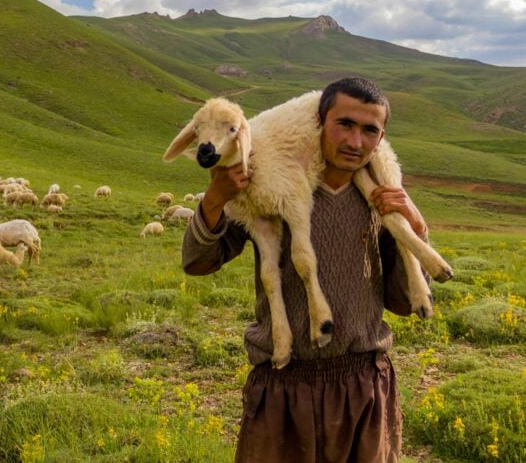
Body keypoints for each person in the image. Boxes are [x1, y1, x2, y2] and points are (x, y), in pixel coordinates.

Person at [182, 76, 429, 463]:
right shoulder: (267, 184)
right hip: (284, 385)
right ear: (319, 123)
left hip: (362, 383)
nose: (355, 142)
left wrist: (416, 227)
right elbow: (198, 262)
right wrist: (216, 197)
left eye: (369, 130)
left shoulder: (380, 201)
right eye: (344, 124)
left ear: (381, 138)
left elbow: (401, 301)